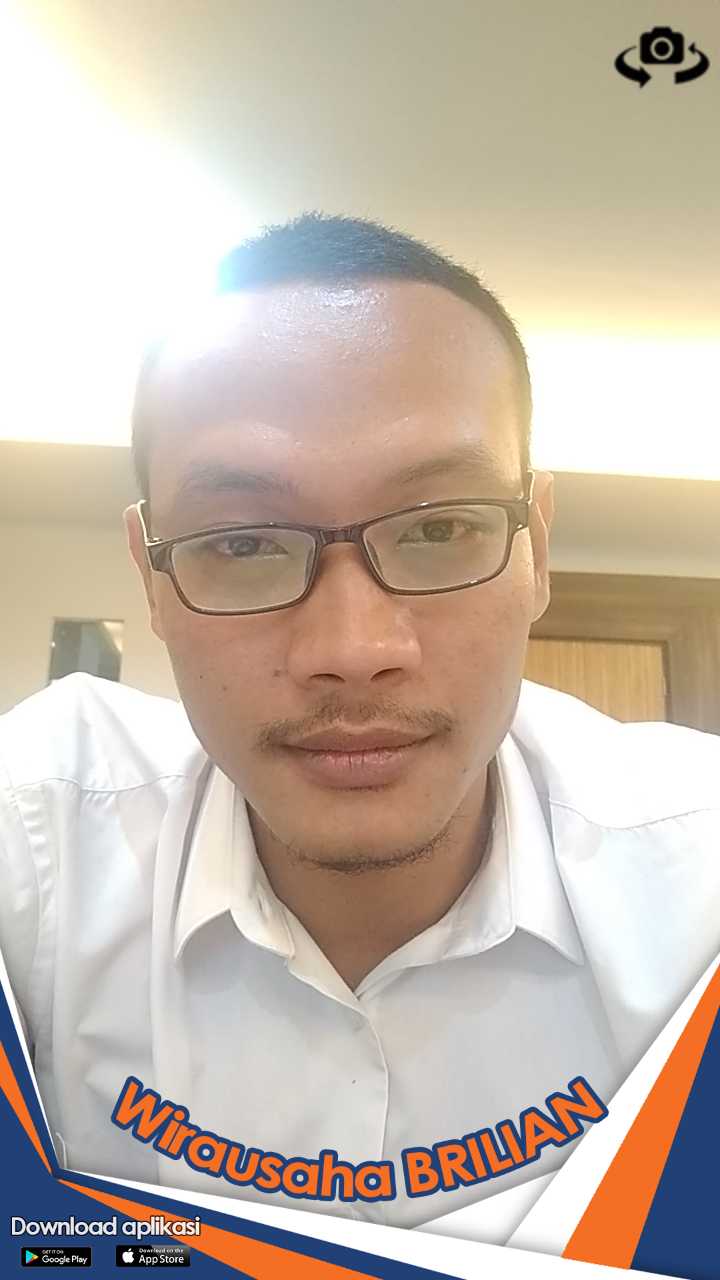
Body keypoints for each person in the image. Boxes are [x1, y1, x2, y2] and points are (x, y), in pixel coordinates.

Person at [1, 211, 718, 1231]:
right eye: (243, 542)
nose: (353, 645)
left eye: (440, 527)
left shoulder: (700, 888)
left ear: (537, 551)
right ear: (151, 579)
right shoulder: (38, 852)